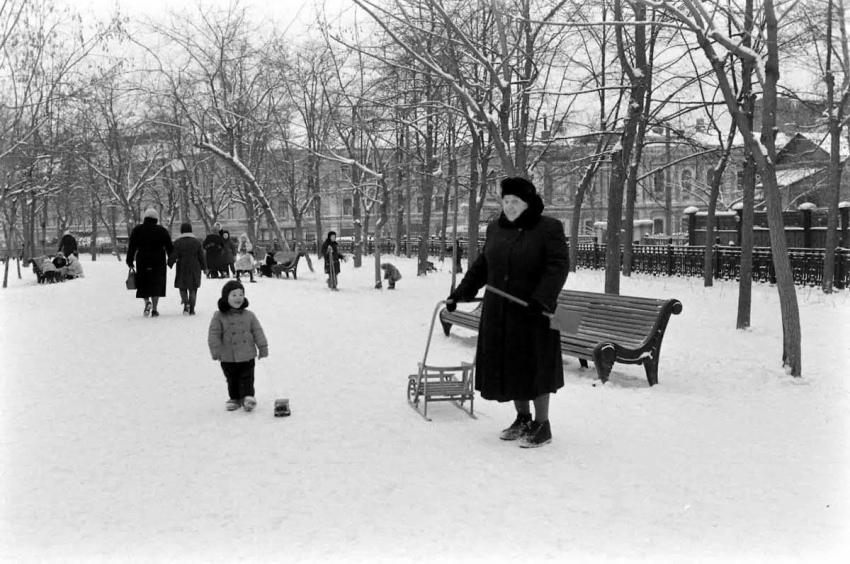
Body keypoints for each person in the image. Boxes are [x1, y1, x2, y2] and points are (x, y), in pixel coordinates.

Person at [446, 177, 569, 448]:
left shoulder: (548, 228)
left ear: (527, 203)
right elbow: (482, 266)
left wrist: (542, 299)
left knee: (536, 367)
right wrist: (460, 293)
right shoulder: (495, 229)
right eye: (506, 201)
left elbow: (558, 266)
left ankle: (542, 424)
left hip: (534, 312)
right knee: (511, 365)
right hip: (500, 312)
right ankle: (523, 418)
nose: (510, 206)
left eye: (515, 201)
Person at [208, 280, 269, 412]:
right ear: (226, 297)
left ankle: (248, 397)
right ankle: (234, 398)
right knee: (232, 378)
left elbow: (258, 331)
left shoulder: (249, 315)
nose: (238, 298)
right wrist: (215, 350)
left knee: (247, 377)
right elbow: (214, 334)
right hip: (227, 355)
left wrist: (262, 347)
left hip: (247, 354)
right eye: (234, 295)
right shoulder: (219, 316)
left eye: (241, 294)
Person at [126, 208, 173, 317]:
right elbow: (169, 247)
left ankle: (147, 302)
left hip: (142, 259)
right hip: (158, 260)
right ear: (156, 219)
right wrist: (171, 260)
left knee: (143, 283)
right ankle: (155, 309)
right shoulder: (162, 231)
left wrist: (129, 260)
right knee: (156, 284)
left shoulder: (137, 230)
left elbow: (132, 246)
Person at [168, 222, 207, 315]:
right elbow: (201, 256)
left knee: (182, 286)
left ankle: (186, 304)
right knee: (193, 287)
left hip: (182, 265)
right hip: (194, 266)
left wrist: (170, 263)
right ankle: (192, 308)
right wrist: (205, 267)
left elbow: (174, 254)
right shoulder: (196, 242)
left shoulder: (178, 242)